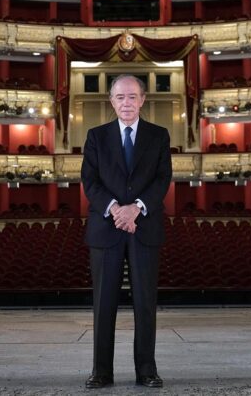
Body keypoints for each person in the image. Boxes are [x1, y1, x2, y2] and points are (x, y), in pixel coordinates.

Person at [80, 75, 172, 389]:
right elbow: (90, 181)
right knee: (103, 304)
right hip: (106, 228)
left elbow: (162, 180)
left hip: (144, 227)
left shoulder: (159, 136)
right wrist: (117, 209)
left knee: (145, 303)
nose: (126, 103)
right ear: (112, 101)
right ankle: (101, 372)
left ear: (143, 99)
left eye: (132, 97)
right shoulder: (96, 136)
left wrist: (136, 208)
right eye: (120, 97)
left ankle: (146, 370)